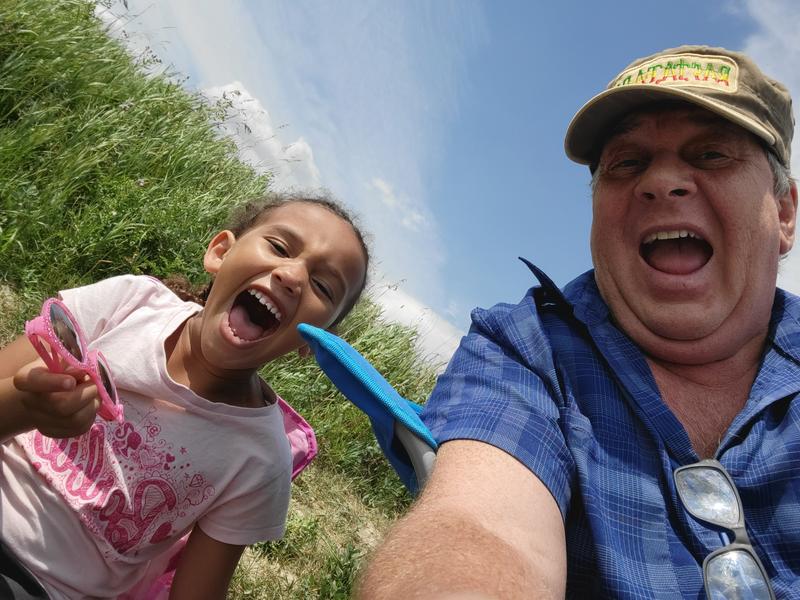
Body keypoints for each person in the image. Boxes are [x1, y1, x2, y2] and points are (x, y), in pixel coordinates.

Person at [357, 45, 800, 599]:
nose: (662, 180)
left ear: (784, 213)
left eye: (712, 154)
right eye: (627, 162)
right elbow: (479, 529)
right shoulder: (524, 350)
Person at [0, 193, 370, 599]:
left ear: (314, 341)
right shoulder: (131, 304)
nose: (292, 275)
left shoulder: (261, 460)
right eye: (280, 248)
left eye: (322, 286)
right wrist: (25, 407)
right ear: (220, 252)